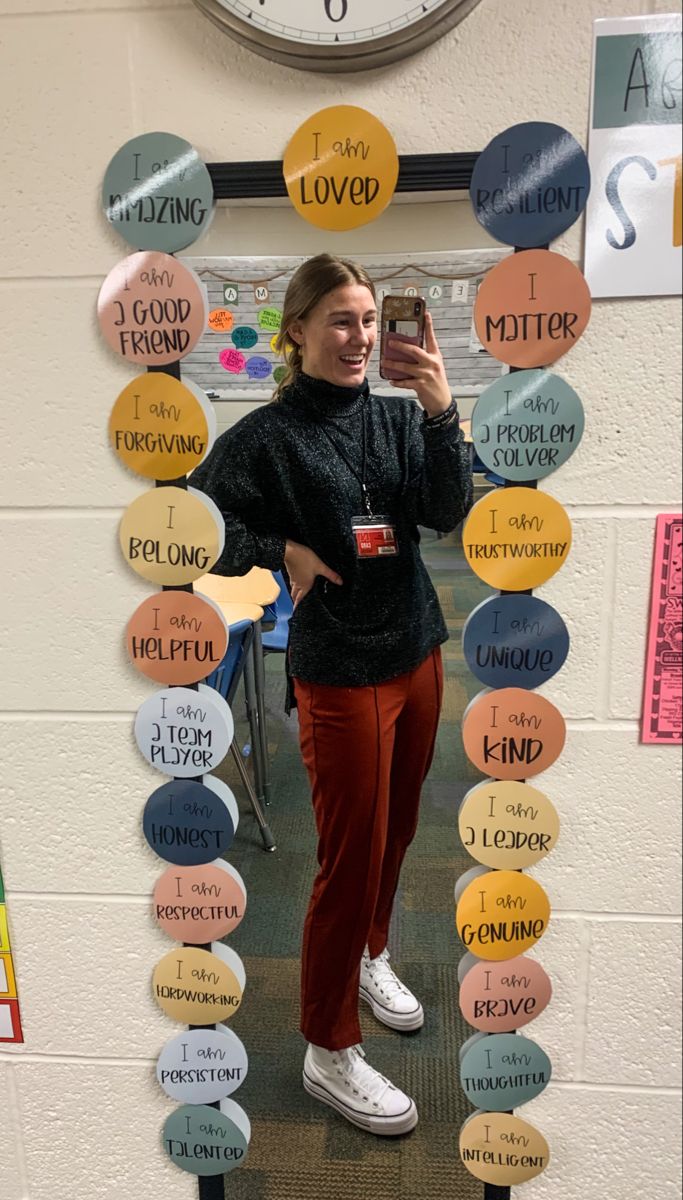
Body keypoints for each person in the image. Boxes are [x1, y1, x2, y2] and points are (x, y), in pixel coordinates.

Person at [190, 253, 473, 1137]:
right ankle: (326, 1049)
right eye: (340, 321)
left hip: (416, 648)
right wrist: (280, 553)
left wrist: (438, 407)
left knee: (396, 832)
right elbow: (197, 518)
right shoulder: (267, 437)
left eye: (367, 321)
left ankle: (372, 952)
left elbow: (445, 511)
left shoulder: (397, 418)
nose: (359, 338)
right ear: (298, 333)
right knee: (345, 857)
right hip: (337, 666)